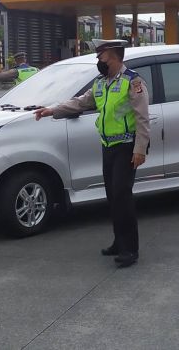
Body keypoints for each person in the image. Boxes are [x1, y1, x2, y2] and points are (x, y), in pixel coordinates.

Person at [34, 39, 149, 268]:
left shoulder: (132, 81)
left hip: (127, 147)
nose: (98, 60)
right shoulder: (100, 83)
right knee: (113, 196)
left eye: (101, 56)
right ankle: (119, 241)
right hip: (108, 147)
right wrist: (51, 111)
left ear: (114, 56)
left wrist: (140, 150)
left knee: (122, 196)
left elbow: (142, 118)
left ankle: (130, 250)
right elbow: (80, 103)